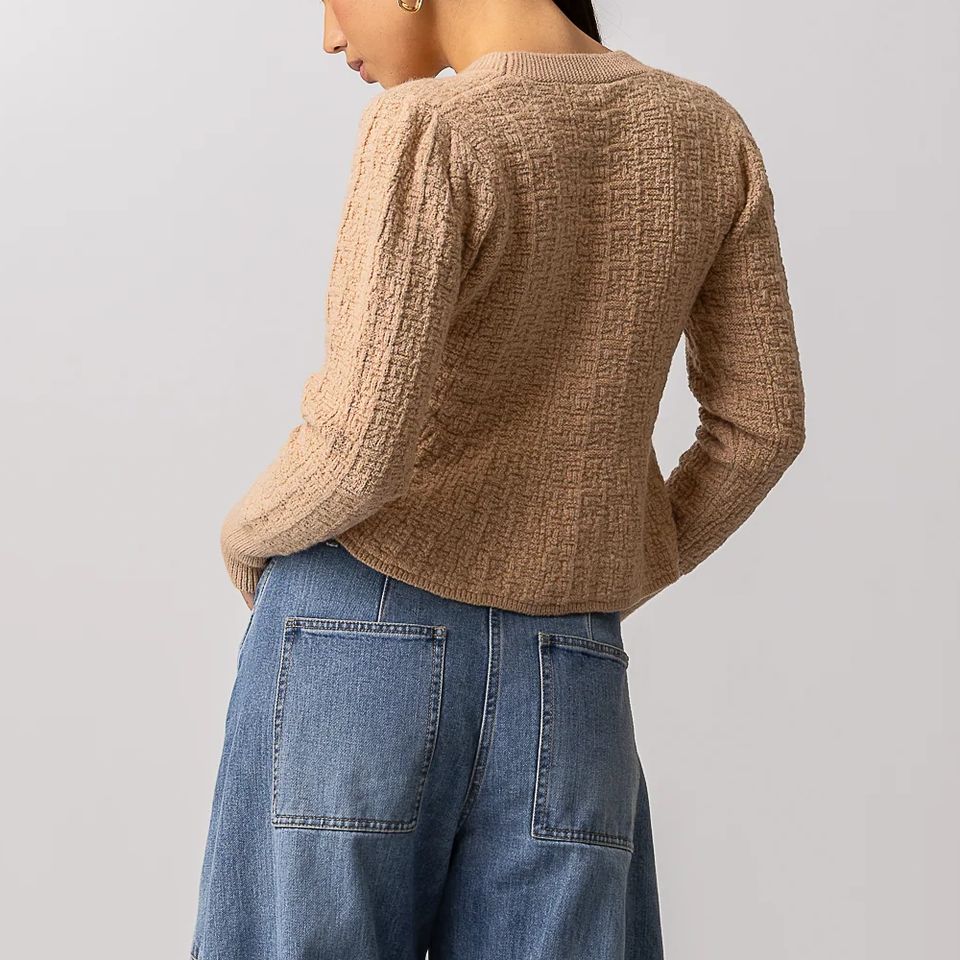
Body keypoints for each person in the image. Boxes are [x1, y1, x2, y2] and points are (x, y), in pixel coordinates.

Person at [189, 0, 806, 955]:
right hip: (572, 662)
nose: (328, 34)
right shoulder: (706, 136)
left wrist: (244, 537)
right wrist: (609, 558)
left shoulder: (431, 128)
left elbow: (361, 444)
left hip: (357, 628)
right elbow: (763, 428)